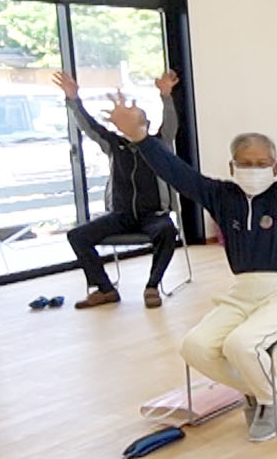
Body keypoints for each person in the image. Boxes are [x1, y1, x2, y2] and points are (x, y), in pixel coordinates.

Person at [113, 76, 277, 442]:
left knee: (241, 344)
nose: (253, 168)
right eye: (245, 162)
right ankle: (262, 390)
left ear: (275, 166)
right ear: (232, 165)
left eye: (261, 163)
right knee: (195, 346)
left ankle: (273, 398)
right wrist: (140, 138)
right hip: (241, 294)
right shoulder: (222, 196)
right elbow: (177, 173)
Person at [54, 69, 183, 309]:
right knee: (77, 236)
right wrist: (73, 100)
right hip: (120, 216)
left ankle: (152, 285)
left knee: (167, 231)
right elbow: (89, 127)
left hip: (153, 216)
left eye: (137, 121)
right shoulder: (114, 145)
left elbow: (172, 124)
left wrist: (166, 96)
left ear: (146, 125)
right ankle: (104, 289)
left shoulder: (158, 144)